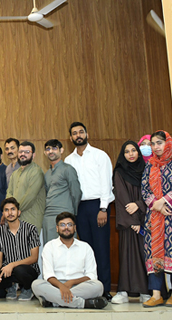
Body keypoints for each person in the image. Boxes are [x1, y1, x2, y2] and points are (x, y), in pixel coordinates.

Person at [64, 122, 115, 300]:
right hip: (79, 208)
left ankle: (105, 289)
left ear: (87, 133)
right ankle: (90, 290)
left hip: (98, 206)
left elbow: (106, 184)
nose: (78, 135)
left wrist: (103, 208)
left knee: (101, 249)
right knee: (86, 251)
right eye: (75, 133)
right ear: (70, 138)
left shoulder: (100, 155)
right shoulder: (68, 161)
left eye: (81, 132)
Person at [31, 212, 108, 309]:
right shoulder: (49, 246)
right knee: (36, 284)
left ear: (75, 228)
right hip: (56, 285)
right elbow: (48, 275)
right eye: (62, 225)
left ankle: (54, 301)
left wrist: (71, 282)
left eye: (69, 225)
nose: (66, 228)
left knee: (98, 286)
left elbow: (91, 275)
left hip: (79, 286)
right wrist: (61, 287)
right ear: (57, 228)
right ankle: (84, 304)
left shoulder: (85, 247)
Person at [111, 140, 149, 304]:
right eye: (127, 151)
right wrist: (133, 221)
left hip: (146, 219)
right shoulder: (119, 172)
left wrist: (140, 207)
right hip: (129, 223)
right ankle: (123, 292)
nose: (131, 154)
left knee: (145, 255)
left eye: (134, 150)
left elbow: (150, 192)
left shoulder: (146, 170)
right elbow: (121, 197)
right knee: (127, 256)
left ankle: (146, 292)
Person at [141, 131, 172, 307]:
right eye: (153, 144)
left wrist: (164, 201)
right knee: (154, 254)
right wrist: (156, 204)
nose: (156, 147)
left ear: (168, 143)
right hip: (154, 217)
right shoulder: (151, 165)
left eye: (159, 143)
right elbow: (144, 189)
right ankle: (156, 295)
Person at [0, 197, 40, 301]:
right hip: (8, 271)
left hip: (28, 270)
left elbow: (34, 258)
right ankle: (11, 286)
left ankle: (27, 289)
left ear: (19, 212)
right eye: (6, 210)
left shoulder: (31, 229)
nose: (10, 213)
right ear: (3, 214)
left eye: (13, 209)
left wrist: (13, 264)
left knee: (19, 270)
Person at [43, 140, 82, 243]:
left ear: (61, 150)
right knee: (50, 248)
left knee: (67, 247)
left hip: (64, 214)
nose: (51, 151)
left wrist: (71, 213)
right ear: (44, 153)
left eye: (54, 148)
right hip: (48, 216)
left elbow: (76, 193)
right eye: (48, 149)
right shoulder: (47, 174)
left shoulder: (68, 169)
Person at [6, 141, 46, 233]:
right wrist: (9, 209)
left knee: (29, 246)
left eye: (27, 152)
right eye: (20, 152)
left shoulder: (36, 172)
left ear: (33, 155)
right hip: (15, 219)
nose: (23, 154)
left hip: (31, 218)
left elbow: (30, 197)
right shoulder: (15, 173)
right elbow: (9, 192)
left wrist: (12, 210)